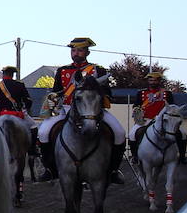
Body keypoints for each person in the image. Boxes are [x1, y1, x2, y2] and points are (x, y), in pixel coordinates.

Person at [36, 37, 126, 183]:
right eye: (73, 50)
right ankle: (50, 169)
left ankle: (113, 171)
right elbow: (57, 92)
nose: (75, 53)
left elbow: (108, 92)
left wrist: (102, 96)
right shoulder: (62, 70)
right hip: (66, 109)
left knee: (120, 133)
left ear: (87, 52)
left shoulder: (98, 70)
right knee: (43, 131)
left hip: (92, 111)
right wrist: (52, 98)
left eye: (79, 50)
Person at [129, 71, 187, 165]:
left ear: (159, 81)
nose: (152, 82)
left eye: (155, 80)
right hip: (146, 119)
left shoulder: (167, 93)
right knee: (132, 134)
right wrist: (137, 113)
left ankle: (182, 157)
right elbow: (136, 105)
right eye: (150, 80)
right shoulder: (141, 93)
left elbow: (172, 107)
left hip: (164, 120)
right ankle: (135, 157)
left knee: (183, 134)